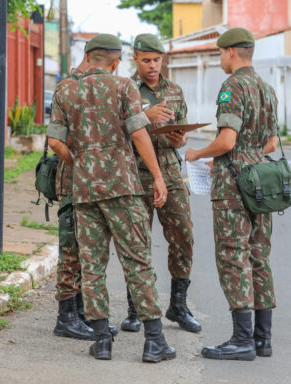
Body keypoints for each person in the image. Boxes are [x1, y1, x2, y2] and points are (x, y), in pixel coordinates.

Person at [48, 34, 175, 363]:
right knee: (138, 264)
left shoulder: (65, 90)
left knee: (91, 268)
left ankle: (102, 340)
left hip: (85, 191)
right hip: (123, 189)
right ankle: (155, 341)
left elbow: (56, 144)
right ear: (117, 62)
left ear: (88, 57)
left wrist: (85, 164)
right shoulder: (123, 87)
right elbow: (137, 132)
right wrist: (158, 176)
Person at [185, 27, 279, 361]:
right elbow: (270, 143)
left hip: (234, 187)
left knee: (233, 256)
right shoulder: (266, 89)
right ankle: (261, 339)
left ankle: (241, 340)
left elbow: (227, 141)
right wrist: (241, 156)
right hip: (260, 183)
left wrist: (199, 154)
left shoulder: (233, 86)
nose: (220, 60)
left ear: (230, 53)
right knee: (258, 256)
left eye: (220, 54)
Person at [121, 33, 201, 334]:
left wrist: (180, 138)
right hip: (135, 172)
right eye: (146, 60)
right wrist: (144, 113)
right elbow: (116, 128)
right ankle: (135, 309)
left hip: (169, 169)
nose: (152, 66)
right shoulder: (126, 88)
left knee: (183, 236)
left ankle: (178, 306)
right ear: (135, 58)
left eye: (156, 60)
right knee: (136, 241)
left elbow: (181, 132)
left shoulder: (175, 91)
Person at [48, 46, 118, 341]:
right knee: (70, 250)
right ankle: (66, 317)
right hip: (73, 183)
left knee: (84, 250)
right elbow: (55, 141)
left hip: (87, 182)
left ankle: (80, 314)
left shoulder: (88, 86)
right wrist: (84, 164)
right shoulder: (68, 87)